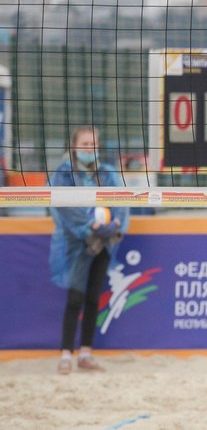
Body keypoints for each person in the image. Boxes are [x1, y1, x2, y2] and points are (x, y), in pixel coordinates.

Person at [49, 125, 129, 375]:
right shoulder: (64, 173)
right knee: (75, 298)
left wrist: (115, 225)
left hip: (103, 242)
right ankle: (65, 354)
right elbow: (63, 207)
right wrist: (90, 226)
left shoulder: (106, 172)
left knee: (94, 298)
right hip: (76, 243)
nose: (90, 148)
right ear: (74, 147)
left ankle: (85, 353)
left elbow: (122, 202)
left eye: (93, 144)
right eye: (85, 144)